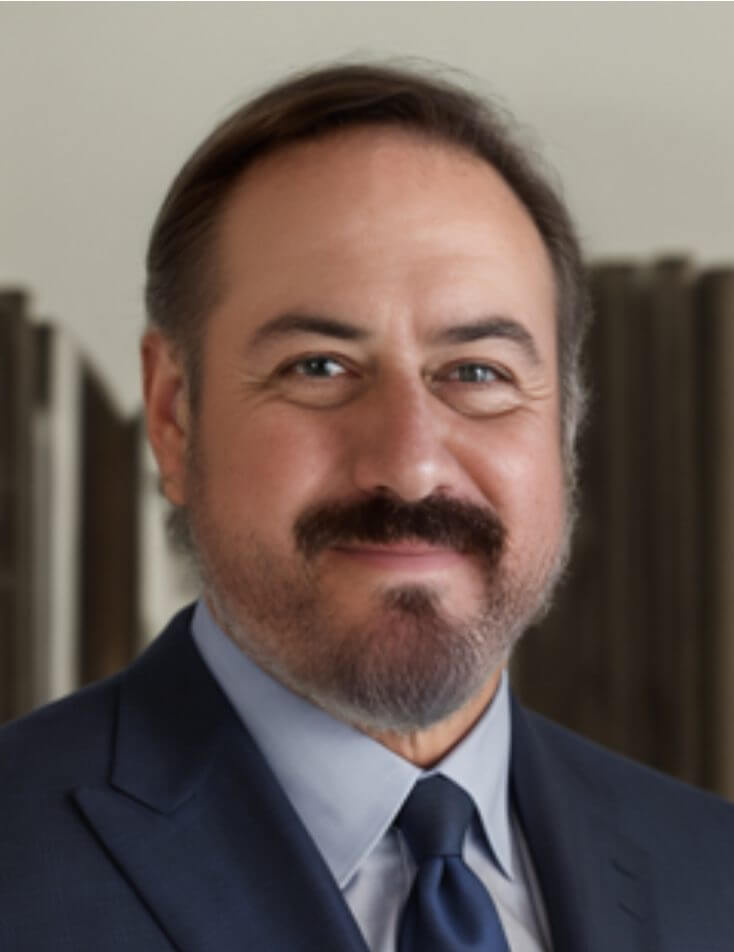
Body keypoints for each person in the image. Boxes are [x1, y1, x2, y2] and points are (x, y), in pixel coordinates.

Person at [1, 62, 733, 952]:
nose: (411, 465)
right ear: (174, 417)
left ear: (566, 426)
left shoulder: (712, 871)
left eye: (477, 374)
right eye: (318, 366)